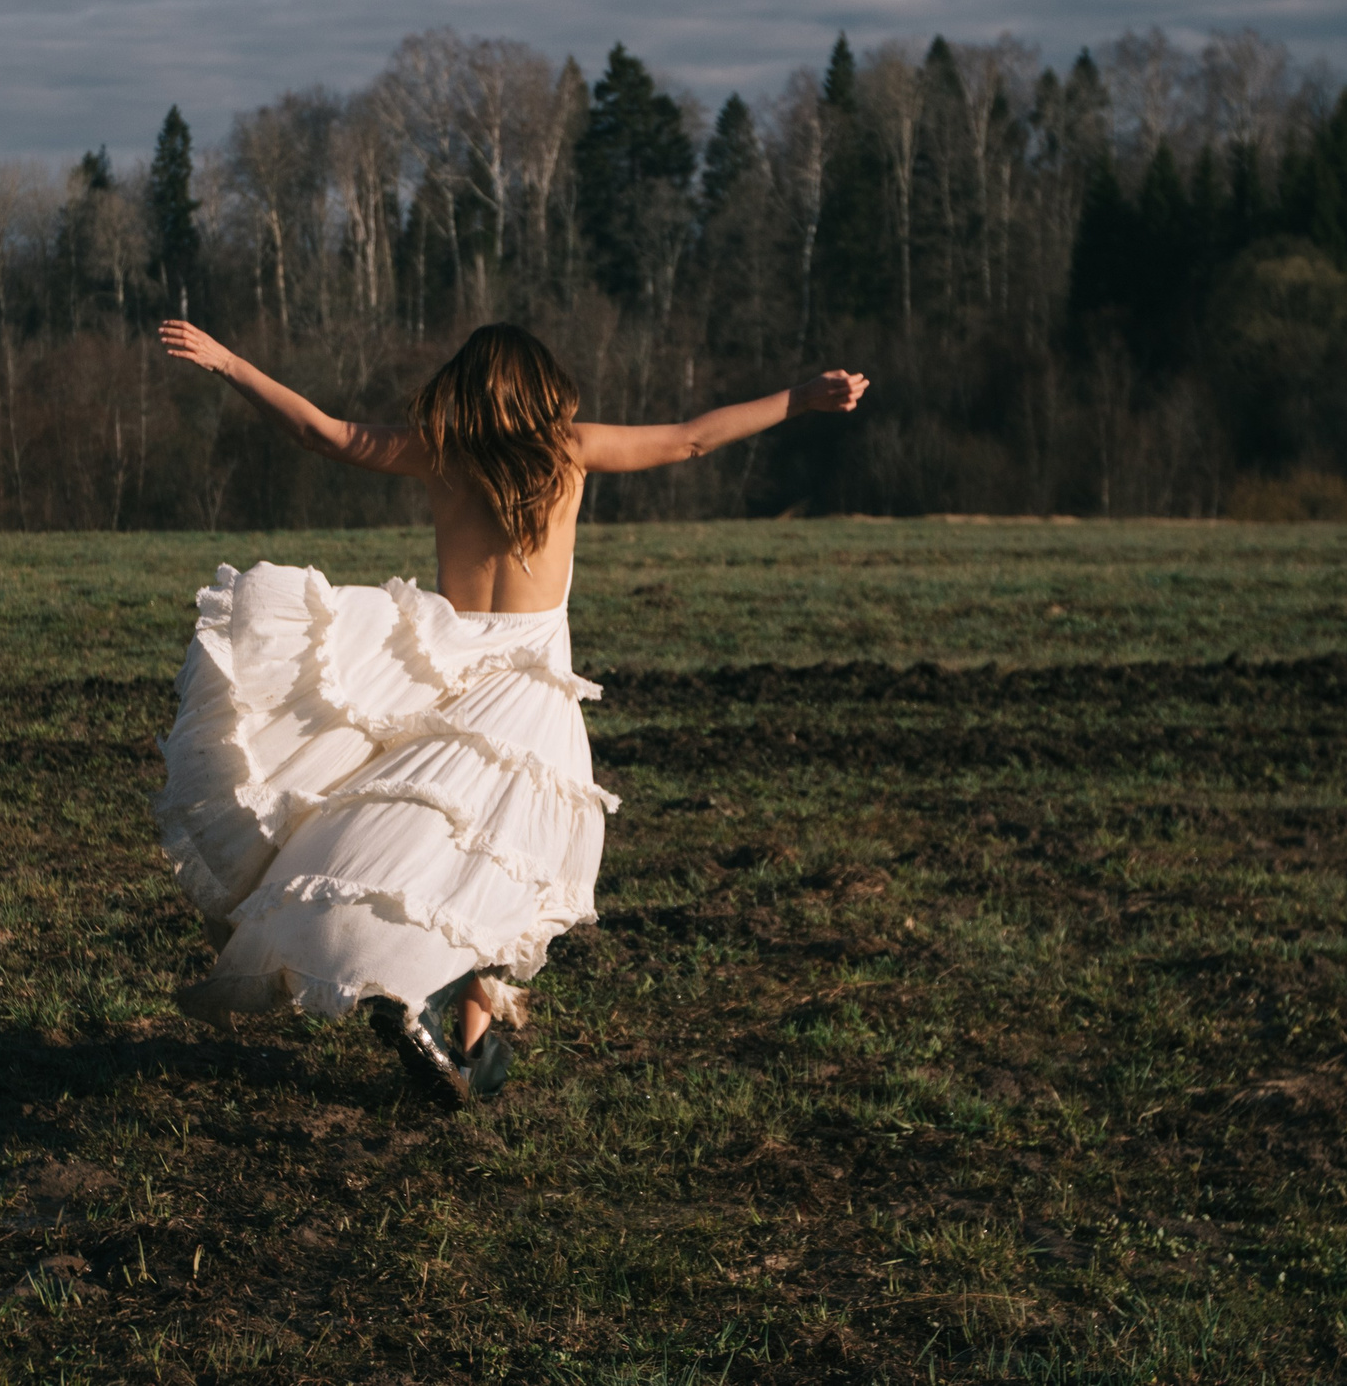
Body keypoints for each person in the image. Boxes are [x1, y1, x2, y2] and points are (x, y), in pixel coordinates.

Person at [150, 318, 867, 1103]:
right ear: (541, 389)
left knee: (440, 845)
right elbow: (695, 438)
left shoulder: (441, 452)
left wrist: (227, 362)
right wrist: (800, 398)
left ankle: (466, 1042)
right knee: (501, 861)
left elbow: (324, 433)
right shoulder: (569, 451)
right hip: (529, 690)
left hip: (451, 668)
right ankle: (453, 1029)